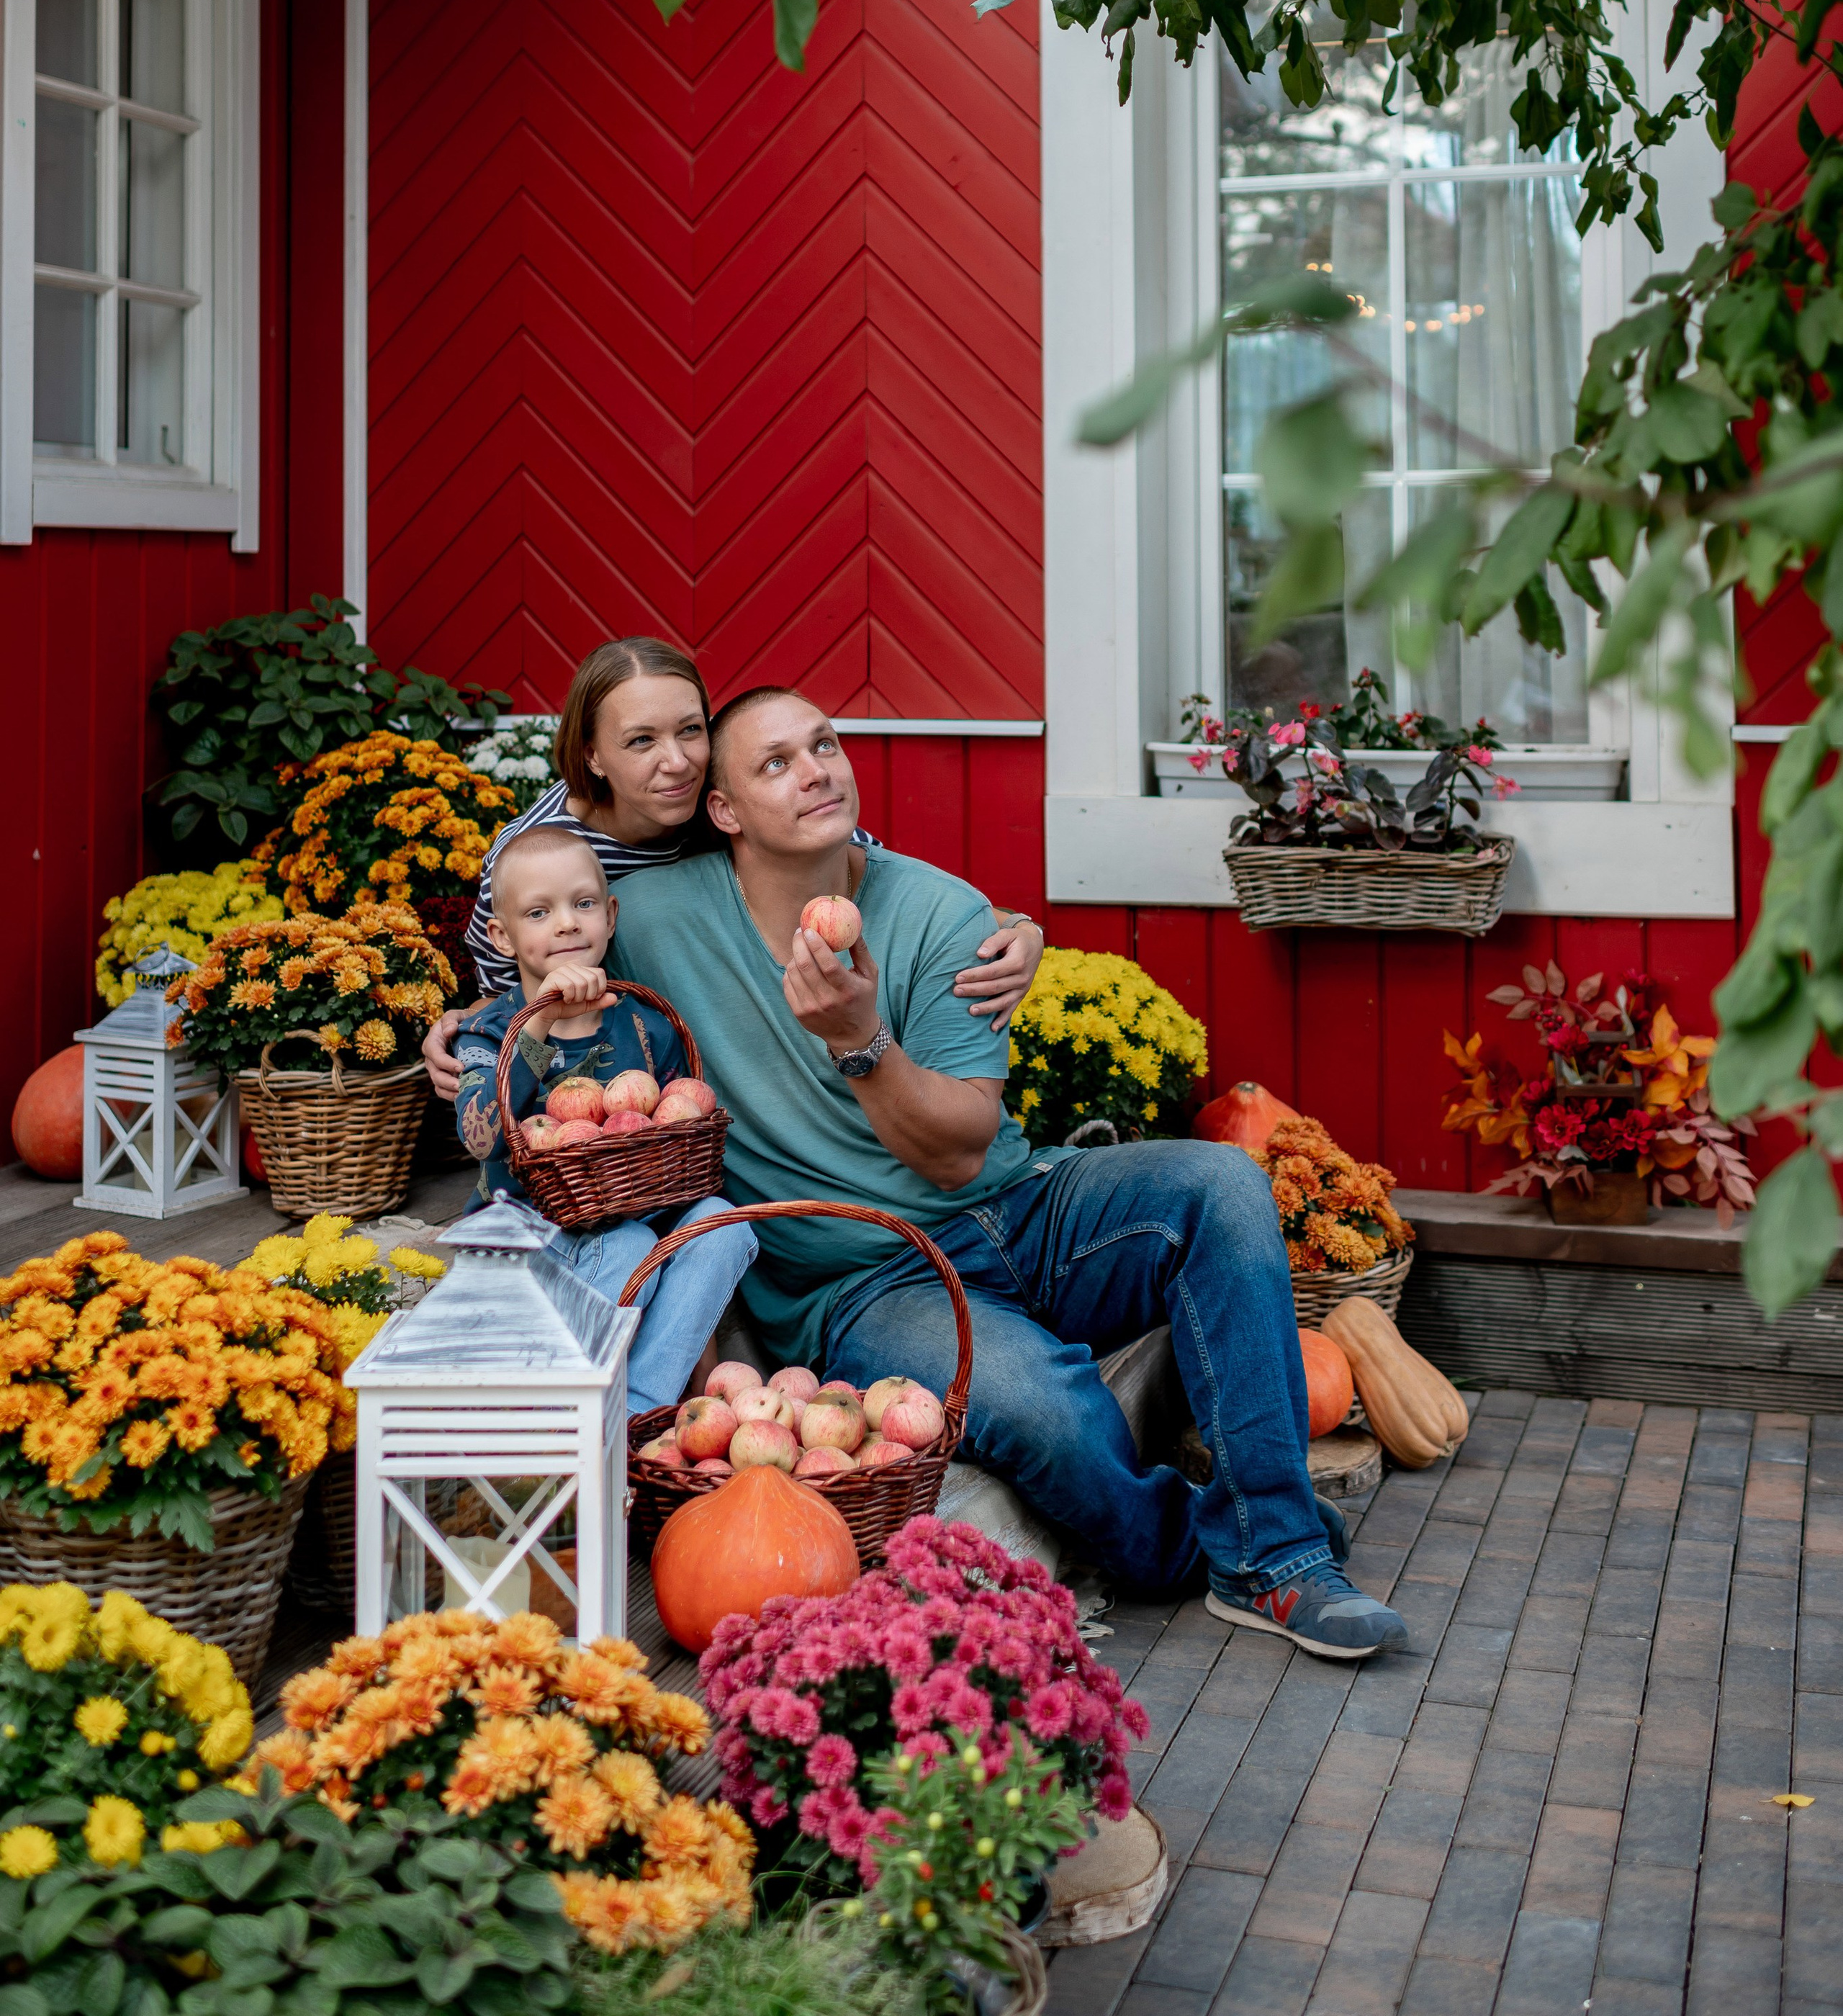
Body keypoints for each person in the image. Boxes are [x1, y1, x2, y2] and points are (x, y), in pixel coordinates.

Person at [609, 686, 1408, 1663]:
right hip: (864, 1280)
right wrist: (470, 1048)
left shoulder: (938, 909)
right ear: (723, 808)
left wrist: (861, 1041)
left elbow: (958, 1149)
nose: (815, 770)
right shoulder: (656, 918)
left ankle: (1278, 1558)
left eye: (824, 744)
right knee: (1044, 1411)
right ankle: (1191, 1546)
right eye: (775, 762)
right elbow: (537, 913)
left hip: (1018, 1207)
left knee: (1223, 1185)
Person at [422, 634, 1043, 1094]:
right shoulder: (538, 855)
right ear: (592, 756)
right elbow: (507, 993)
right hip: (589, 1071)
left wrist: (1019, 928)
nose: (678, 762)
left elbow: (875, 875)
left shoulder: (728, 804)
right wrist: (459, 1032)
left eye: (690, 730)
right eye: (641, 741)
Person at [451, 822, 754, 1416]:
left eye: (584, 904)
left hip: (632, 1225)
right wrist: (540, 1023)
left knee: (722, 1225)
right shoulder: (489, 1031)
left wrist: (706, 1360)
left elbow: (678, 1152)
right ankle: (585, 1410)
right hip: (529, 1241)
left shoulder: (645, 1025)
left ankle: (638, 1410)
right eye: (539, 912)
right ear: (503, 936)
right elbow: (481, 1137)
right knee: (629, 1244)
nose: (567, 923)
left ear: (610, 917)